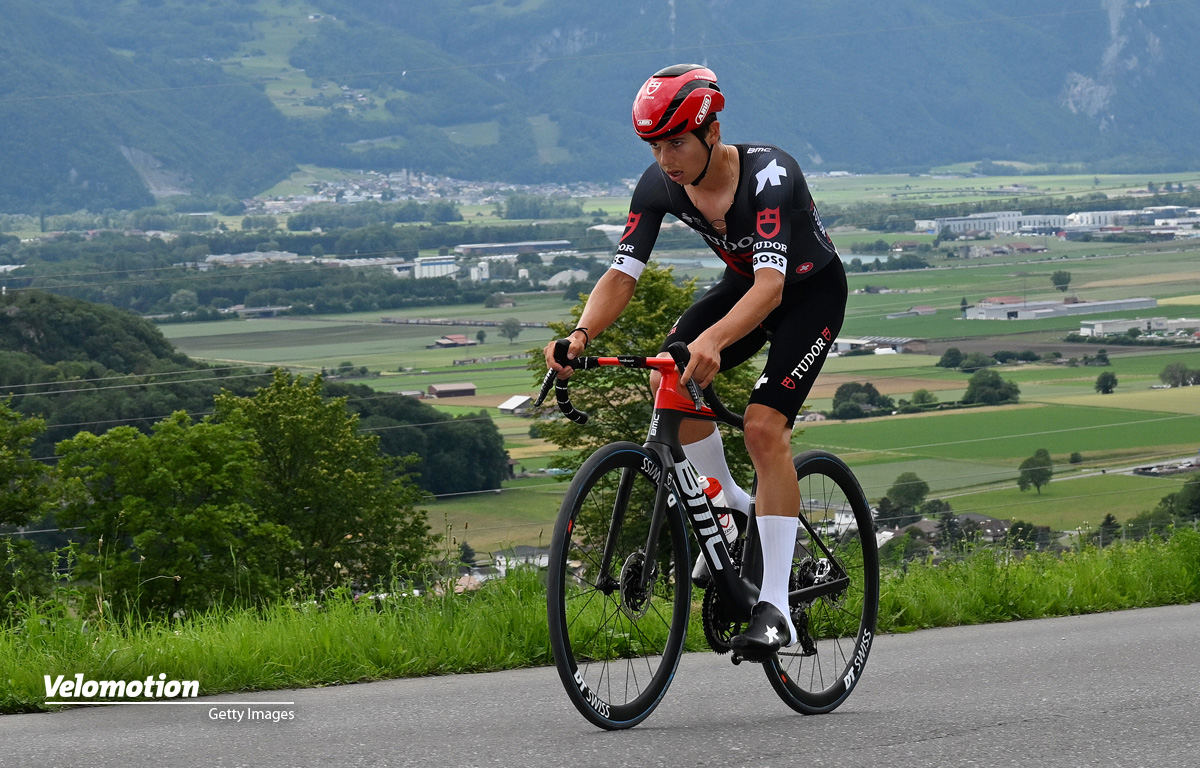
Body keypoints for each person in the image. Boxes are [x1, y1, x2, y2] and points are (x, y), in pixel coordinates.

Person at [543, 63, 848, 659]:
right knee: (670, 373)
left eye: (677, 141)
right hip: (743, 290)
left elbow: (771, 288)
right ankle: (730, 511)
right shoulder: (659, 185)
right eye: (655, 144)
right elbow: (621, 274)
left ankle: (777, 609)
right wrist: (578, 335)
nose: (665, 158)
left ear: (712, 131)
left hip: (806, 295)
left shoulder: (769, 175)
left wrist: (712, 342)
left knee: (763, 428)